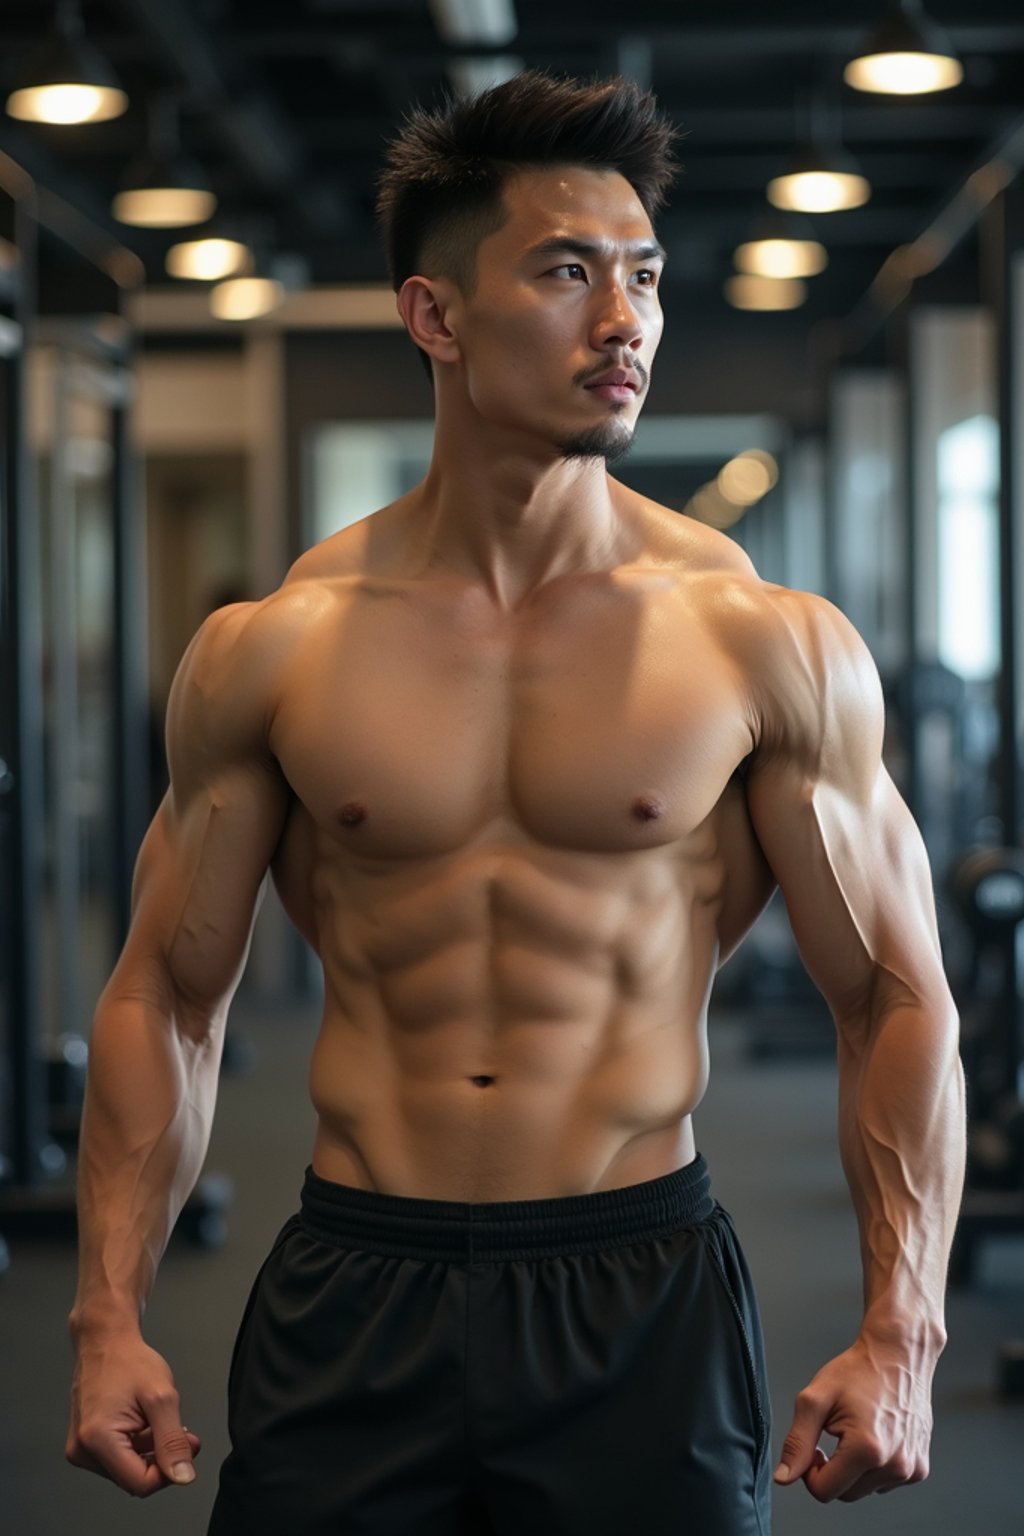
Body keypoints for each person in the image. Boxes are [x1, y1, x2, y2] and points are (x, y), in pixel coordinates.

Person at [66, 70, 966, 1535]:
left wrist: (902, 1331)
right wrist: (105, 1316)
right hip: (356, 1281)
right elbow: (166, 995)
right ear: (435, 316)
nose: (626, 322)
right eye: (567, 272)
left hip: (641, 1288)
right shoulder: (275, 648)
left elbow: (896, 1000)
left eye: (645, 276)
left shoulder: (762, 644)